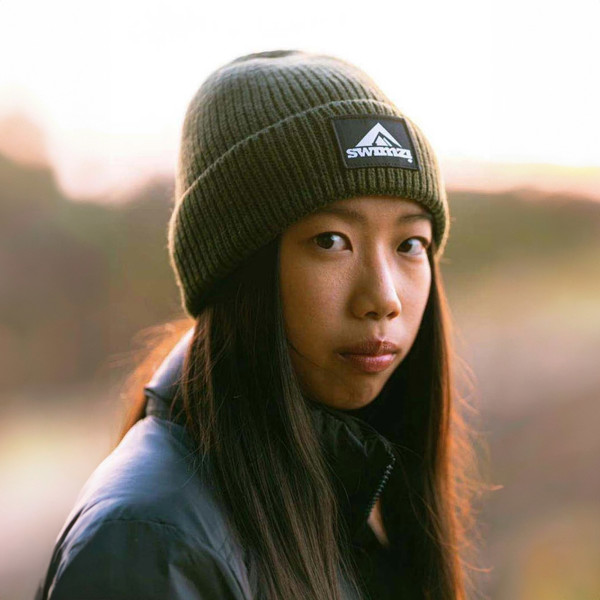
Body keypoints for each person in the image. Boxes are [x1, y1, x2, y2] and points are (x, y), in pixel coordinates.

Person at [35, 49, 483, 599]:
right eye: (330, 241)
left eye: (410, 244)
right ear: (237, 271)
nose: (384, 298)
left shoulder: (329, 496)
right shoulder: (151, 544)